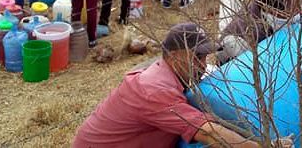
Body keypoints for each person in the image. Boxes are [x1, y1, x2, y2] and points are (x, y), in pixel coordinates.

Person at [74, 22, 277, 148]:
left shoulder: (167, 75)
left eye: (204, 56)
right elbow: (208, 132)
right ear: (173, 56)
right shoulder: (155, 90)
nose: (203, 64)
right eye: (196, 56)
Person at [216, 0, 301, 65]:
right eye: (291, 4)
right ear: (272, 10)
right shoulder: (255, 29)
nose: (298, 5)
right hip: (238, 54)